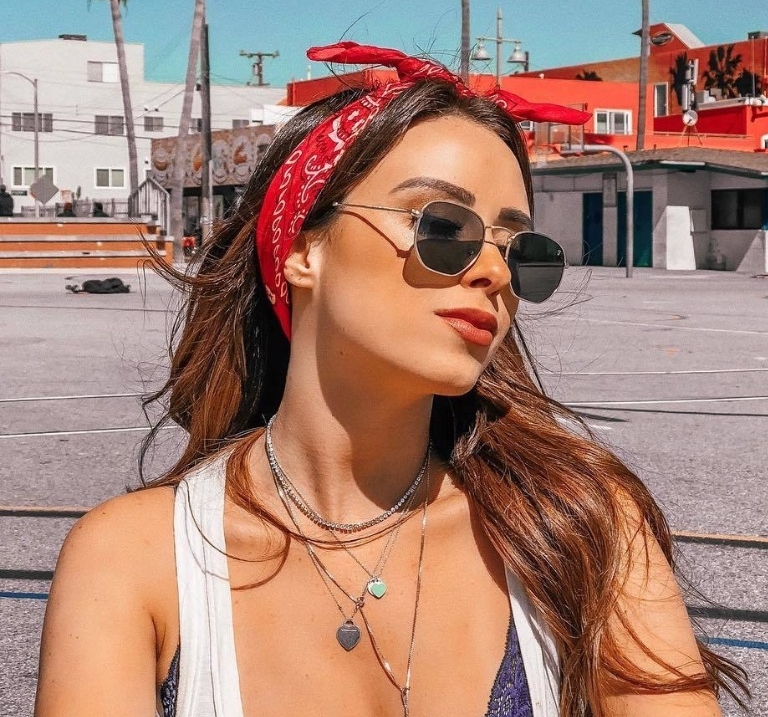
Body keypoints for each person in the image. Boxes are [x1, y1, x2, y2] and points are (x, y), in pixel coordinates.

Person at [35, 43, 747, 717]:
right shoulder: (136, 562)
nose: (494, 271)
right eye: (443, 226)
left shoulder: (580, 528)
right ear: (302, 248)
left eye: (520, 248)